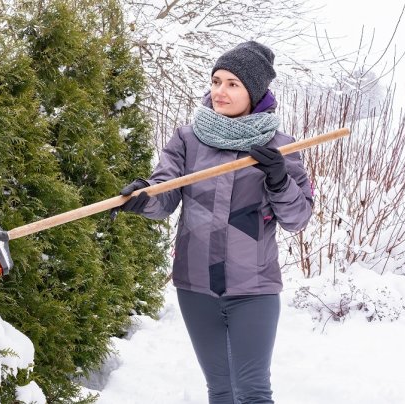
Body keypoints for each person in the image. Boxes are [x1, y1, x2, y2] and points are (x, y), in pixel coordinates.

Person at [114, 41, 313, 403]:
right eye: (216, 80)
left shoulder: (279, 147)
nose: (220, 91)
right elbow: (166, 193)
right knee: (220, 390)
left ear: (254, 91)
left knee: (252, 391)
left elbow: (297, 219)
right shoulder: (188, 138)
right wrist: (143, 197)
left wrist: (279, 179)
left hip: (253, 287)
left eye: (233, 84)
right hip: (196, 286)